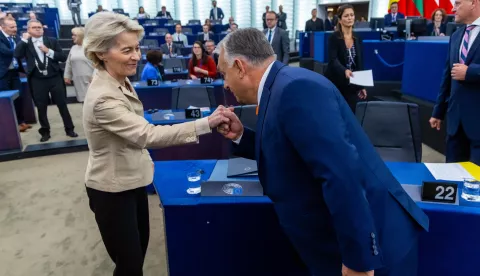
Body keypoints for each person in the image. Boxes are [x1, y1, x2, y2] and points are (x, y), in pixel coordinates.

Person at [214, 27, 429, 276]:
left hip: (377, 252)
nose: (226, 84)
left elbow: (341, 174)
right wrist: (241, 135)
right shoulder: (279, 86)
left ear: (240, 66)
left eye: (225, 74)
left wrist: (359, 261)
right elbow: (285, 148)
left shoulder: (296, 89)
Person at [82, 12, 230, 276]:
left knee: (136, 257)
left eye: (137, 48)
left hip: (133, 180)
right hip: (112, 191)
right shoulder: (103, 97)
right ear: (102, 53)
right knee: (129, 267)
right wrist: (206, 123)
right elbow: (147, 135)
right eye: (126, 50)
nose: (136, 56)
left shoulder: (117, 77)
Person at [430, 0, 480, 165]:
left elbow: (463, 73)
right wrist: (438, 111)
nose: (452, 8)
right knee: (452, 178)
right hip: (455, 124)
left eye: (458, 3)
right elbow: (447, 76)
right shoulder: (456, 36)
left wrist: (470, 72)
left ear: (473, 3)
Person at [15, 19, 77, 142]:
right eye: (34, 27)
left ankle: (69, 129)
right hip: (37, 80)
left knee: (62, 105)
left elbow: (63, 57)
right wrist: (23, 40)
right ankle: (45, 132)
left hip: (54, 77)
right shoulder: (25, 43)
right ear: (28, 30)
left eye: (39, 27)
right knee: (41, 107)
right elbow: (16, 54)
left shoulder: (51, 41)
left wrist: (48, 51)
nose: (38, 29)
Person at [324, 5, 367, 113]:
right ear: (340, 20)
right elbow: (333, 60)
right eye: (346, 16)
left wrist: (361, 86)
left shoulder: (357, 38)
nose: (350, 18)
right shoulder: (334, 37)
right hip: (336, 82)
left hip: (352, 84)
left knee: (351, 114)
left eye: (352, 15)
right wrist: (344, 70)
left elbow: (359, 62)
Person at [0, 17, 30, 132]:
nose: (15, 29)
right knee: (7, 100)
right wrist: (23, 41)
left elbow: (21, 51)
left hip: (15, 72)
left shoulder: (15, 37)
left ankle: (21, 122)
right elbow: (7, 52)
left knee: (19, 97)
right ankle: (10, 126)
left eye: (15, 26)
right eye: (12, 27)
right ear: (3, 27)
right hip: (3, 74)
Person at [64, 27, 94, 103]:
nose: (72, 37)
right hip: (78, 80)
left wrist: (95, 76)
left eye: (74, 35)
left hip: (91, 79)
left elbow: (98, 64)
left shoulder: (91, 48)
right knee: (83, 101)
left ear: (81, 36)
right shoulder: (73, 48)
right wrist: (67, 76)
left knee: (93, 101)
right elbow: (69, 63)